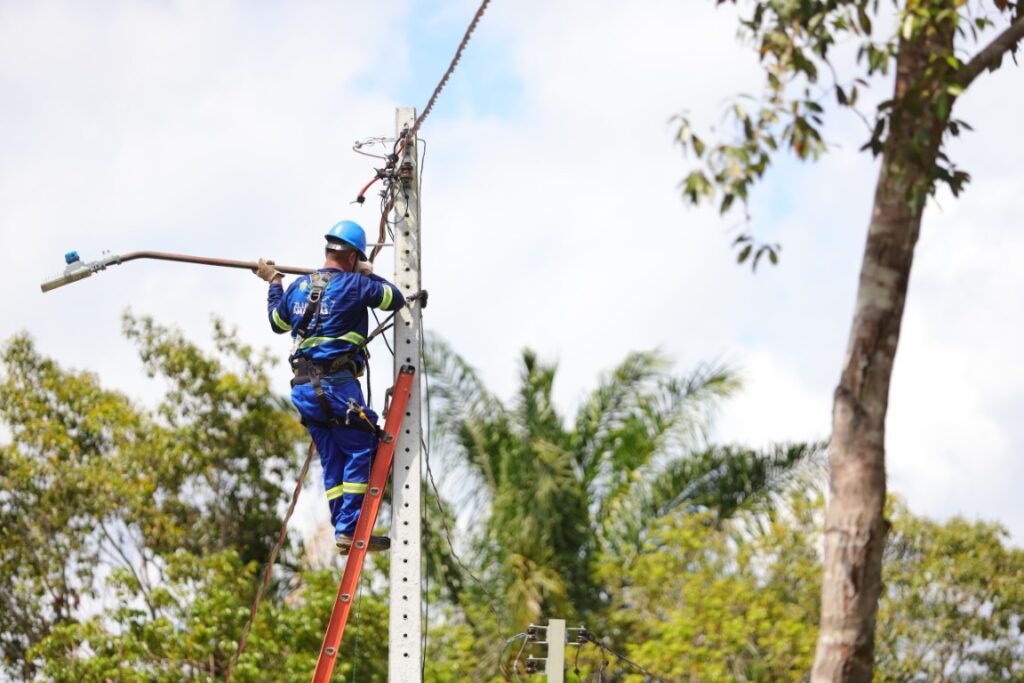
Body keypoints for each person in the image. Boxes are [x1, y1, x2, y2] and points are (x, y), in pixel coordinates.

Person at [254, 219, 405, 554]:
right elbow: (393, 299)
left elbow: (277, 322)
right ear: (352, 257)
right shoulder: (355, 285)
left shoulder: (298, 287)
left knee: (334, 458)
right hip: (336, 384)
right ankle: (350, 529)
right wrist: (368, 275)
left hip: (304, 389)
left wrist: (275, 282)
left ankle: (344, 529)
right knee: (362, 447)